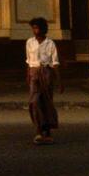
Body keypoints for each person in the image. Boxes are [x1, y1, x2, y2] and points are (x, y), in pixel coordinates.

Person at [24, 17, 61, 145]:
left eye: (37, 27)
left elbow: (55, 63)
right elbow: (29, 60)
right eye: (33, 28)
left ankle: (48, 131)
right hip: (34, 73)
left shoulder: (50, 43)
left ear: (44, 29)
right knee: (34, 102)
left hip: (46, 72)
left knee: (47, 102)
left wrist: (59, 81)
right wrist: (28, 75)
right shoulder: (30, 42)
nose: (35, 30)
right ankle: (38, 129)